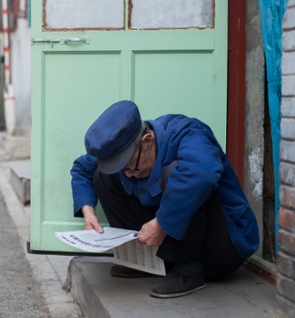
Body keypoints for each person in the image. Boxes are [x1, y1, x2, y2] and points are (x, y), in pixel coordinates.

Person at [70, 100, 259, 299]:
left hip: (222, 247)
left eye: (131, 166)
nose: (130, 175)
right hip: (169, 248)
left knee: (180, 174)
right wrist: (87, 209)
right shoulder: (122, 151)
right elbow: (82, 168)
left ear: (148, 140)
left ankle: (189, 270)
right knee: (103, 176)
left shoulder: (188, 132)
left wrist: (162, 224)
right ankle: (142, 261)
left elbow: (203, 174)